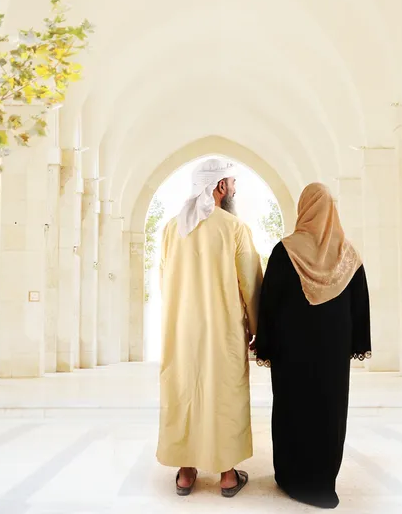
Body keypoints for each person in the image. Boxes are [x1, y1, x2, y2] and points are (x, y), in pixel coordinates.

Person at [254, 183, 371, 509]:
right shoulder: (348, 255)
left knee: (293, 408)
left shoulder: (285, 251)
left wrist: (265, 344)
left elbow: (270, 303)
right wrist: (353, 343)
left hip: (292, 352)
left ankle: (291, 475)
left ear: (304, 209)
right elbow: (359, 306)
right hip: (331, 355)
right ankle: (322, 479)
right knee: (328, 411)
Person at [157, 157, 263, 498]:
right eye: (232, 183)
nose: (234, 189)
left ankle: (186, 472)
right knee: (223, 395)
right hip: (222, 330)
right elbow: (250, 283)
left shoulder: (173, 228)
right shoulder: (233, 228)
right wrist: (259, 327)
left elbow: (164, 280)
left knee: (185, 389)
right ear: (220, 187)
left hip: (181, 330)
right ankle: (228, 475)